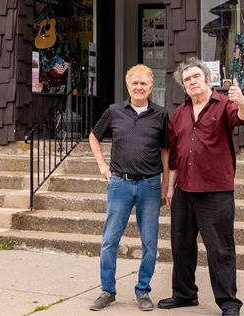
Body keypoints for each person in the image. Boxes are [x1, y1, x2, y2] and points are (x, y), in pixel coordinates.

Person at [158, 57, 244, 316]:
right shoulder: (179, 114)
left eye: (196, 77)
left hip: (215, 191)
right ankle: (184, 294)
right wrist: (169, 189)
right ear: (184, 86)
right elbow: (175, 156)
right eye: (187, 80)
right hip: (184, 191)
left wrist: (242, 101)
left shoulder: (224, 104)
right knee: (181, 246)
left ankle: (229, 303)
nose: (192, 82)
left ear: (207, 79)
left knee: (220, 249)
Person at [88, 64, 170, 312]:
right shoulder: (114, 111)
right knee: (109, 240)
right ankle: (107, 290)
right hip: (120, 184)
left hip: (150, 185)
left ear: (151, 87)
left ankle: (143, 290)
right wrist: (102, 165)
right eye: (134, 82)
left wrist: (166, 183)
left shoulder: (161, 114)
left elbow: (165, 150)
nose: (138, 87)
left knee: (150, 242)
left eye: (143, 83)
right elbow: (94, 136)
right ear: (127, 86)